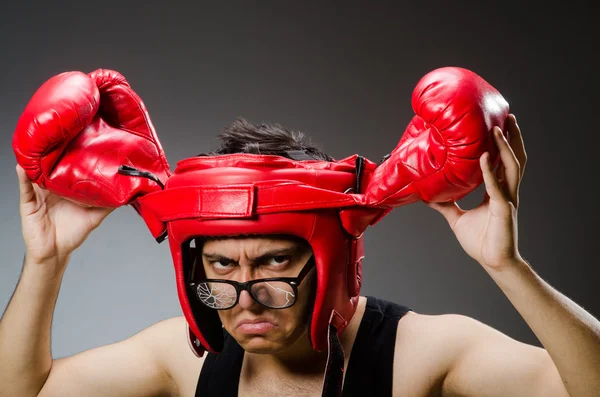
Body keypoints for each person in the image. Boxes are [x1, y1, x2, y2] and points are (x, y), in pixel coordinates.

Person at [1, 68, 599, 397]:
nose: (246, 297)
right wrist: (46, 262)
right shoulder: (181, 362)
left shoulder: (421, 354)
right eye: (222, 270)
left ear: (334, 257)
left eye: (273, 266)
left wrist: (508, 268)